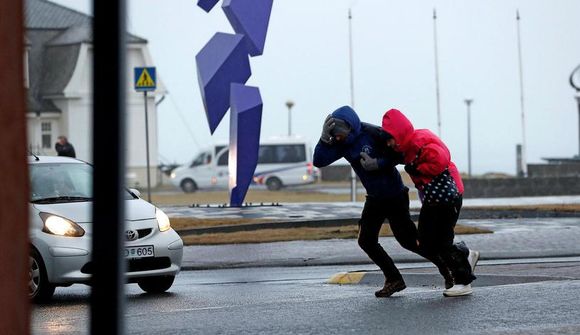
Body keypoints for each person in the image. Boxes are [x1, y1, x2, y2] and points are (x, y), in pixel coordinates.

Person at [314, 106, 455, 298]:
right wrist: (324, 140)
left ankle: (446, 268)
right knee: (366, 241)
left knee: (409, 241)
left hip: (395, 194)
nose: (338, 139)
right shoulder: (342, 143)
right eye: (335, 136)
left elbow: (399, 153)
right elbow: (319, 161)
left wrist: (377, 163)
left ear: (351, 126)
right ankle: (394, 279)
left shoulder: (372, 133)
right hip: (374, 198)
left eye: (340, 134)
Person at [381, 108, 480, 297]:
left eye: (390, 138)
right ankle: (464, 255)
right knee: (426, 241)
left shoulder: (419, 142)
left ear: (399, 134)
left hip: (447, 196)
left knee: (441, 240)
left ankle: (463, 281)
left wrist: (416, 167)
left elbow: (441, 159)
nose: (389, 143)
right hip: (434, 199)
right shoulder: (404, 147)